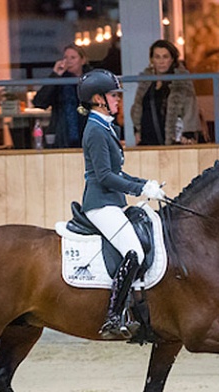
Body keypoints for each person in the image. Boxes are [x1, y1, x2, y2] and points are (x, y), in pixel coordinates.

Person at [76, 69, 165, 339]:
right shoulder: (95, 130)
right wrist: (139, 189)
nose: (117, 100)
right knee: (134, 252)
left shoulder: (105, 127)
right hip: (99, 204)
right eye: (114, 95)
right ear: (98, 99)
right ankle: (114, 317)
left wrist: (145, 184)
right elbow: (104, 177)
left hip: (112, 202)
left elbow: (119, 174)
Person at [131, 39, 201, 146]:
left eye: (165, 57)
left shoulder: (181, 80)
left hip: (173, 137)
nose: (161, 61)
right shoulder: (146, 81)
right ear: (152, 60)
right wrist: (136, 129)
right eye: (157, 57)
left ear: (172, 59)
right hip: (147, 137)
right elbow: (138, 106)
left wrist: (188, 132)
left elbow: (190, 106)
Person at [33, 44, 91, 148]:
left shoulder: (92, 79)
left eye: (73, 57)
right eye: (65, 57)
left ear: (82, 60)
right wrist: (55, 75)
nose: (68, 61)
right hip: (62, 137)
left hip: (88, 136)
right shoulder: (59, 81)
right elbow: (39, 102)